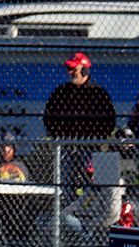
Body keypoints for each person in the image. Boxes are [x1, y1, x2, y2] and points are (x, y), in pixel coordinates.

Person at [41, 52, 116, 190]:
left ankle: (91, 208)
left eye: (74, 69)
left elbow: (109, 121)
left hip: (91, 147)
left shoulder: (98, 93)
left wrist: (95, 139)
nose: (70, 73)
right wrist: (58, 136)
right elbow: (48, 117)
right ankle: (66, 210)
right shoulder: (61, 92)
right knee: (65, 184)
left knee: (94, 185)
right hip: (66, 146)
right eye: (69, 69)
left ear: (85, 70)